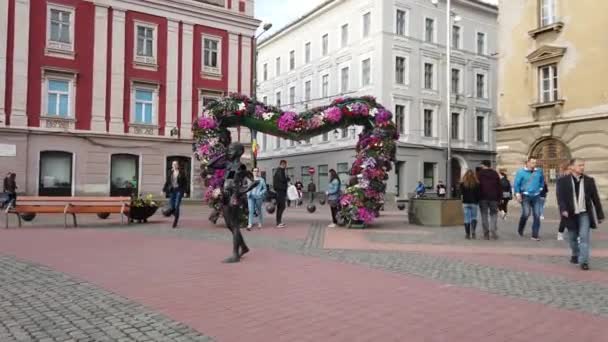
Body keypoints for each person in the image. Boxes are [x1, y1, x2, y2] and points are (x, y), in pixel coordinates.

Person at [556, 158, 604, 271]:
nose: (582, 167)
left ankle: (584, 262)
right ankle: (575, 253)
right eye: (579, 165)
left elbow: (595, 199)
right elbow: (560, 197)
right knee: (572, 237)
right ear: (572, 167)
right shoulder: (562, 181)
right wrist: (563, 209)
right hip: (570, 213)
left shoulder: (589, 181)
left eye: (583, 165)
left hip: (584, 213)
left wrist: (600, 215)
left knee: (584, 237)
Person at [513, 156, 546, 241]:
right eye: (532, 162)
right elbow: (516, 184)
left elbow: (542, 181)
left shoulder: (539, 171)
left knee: (537, 215)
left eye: (535, 163)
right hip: (525, 196)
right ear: (527, 162)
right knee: (526, 213)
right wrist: (517, 194)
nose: (533, 164)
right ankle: (520, 228)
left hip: (536, 196)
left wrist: (540, 188)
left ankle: (535, 235)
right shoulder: (521, 172)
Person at [478, 160, 502, 240]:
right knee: (494, 214)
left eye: (481, 165)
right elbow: (499, 186)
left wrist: (477, 197)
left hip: (483, 197)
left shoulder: (480, 174)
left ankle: (486, 234)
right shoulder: (495, 173)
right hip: (494, 197)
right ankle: (493, 230)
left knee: (484, 215)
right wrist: (500, 198)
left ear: (483, 165)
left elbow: (478, 186)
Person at [163, 160, 188, 228]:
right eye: (173, 164)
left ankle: (175, 222)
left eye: (176, 164)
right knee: (172, 207)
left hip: (179, 190)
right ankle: (173, 214)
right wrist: (164, 189)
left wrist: (185, 191)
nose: (174, 165)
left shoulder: (182, 173)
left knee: (177, 206)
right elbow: (167, 182)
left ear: (178, 165)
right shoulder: (170, 172)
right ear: (172, 165)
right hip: (172, 191)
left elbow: (185, 183)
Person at [460, 170, 481, 239]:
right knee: (474, 217)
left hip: (465, 203)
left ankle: (467, 234)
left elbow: (461, 194)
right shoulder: (477, 184)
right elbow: (478, 194)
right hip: (474, 203)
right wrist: (478, 201)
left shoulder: (462, 184)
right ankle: (473, 232)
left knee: (466, 219)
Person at [556, 162, 571, 241]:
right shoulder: (561, 179)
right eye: (569, 169)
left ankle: (575, 234)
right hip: (564, 202)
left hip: (573, 202)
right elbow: (559, 193)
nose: (570, 171)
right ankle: (560, 233)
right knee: (565, 219)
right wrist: (562, 206)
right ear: (565, 170)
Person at [273, 160, 289, 228]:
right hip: (280, 192)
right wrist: (287, 179)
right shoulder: (280, 171)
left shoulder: (278, 171)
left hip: (280, 191)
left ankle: (279, 221)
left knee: (281, 207)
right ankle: (278, 222)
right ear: (283, 164)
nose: (286, 166)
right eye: (285, 165)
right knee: (281, 207)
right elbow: (282, 179)